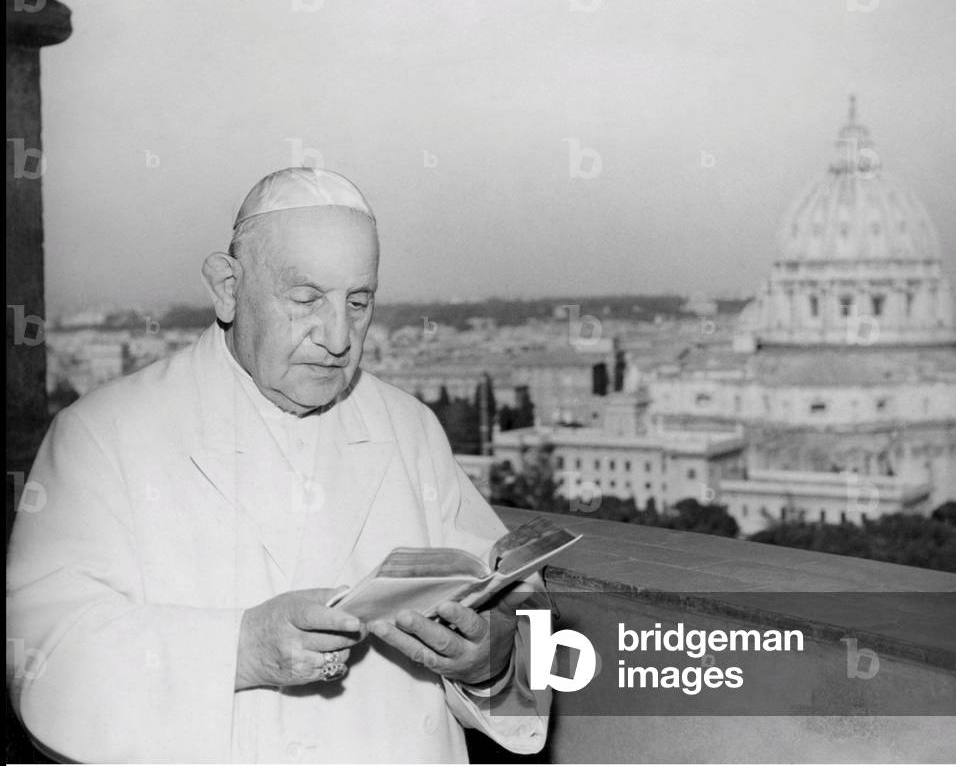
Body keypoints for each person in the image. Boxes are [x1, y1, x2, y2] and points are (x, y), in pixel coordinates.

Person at [7, 168, 551, 763]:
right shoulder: (102, 435)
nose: (339, 337)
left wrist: (492, 659)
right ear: (227, 287)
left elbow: (513, 598)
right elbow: (44, 654)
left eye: (358, 301)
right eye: (305, 298)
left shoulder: (409, 427)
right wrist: (241, 649)